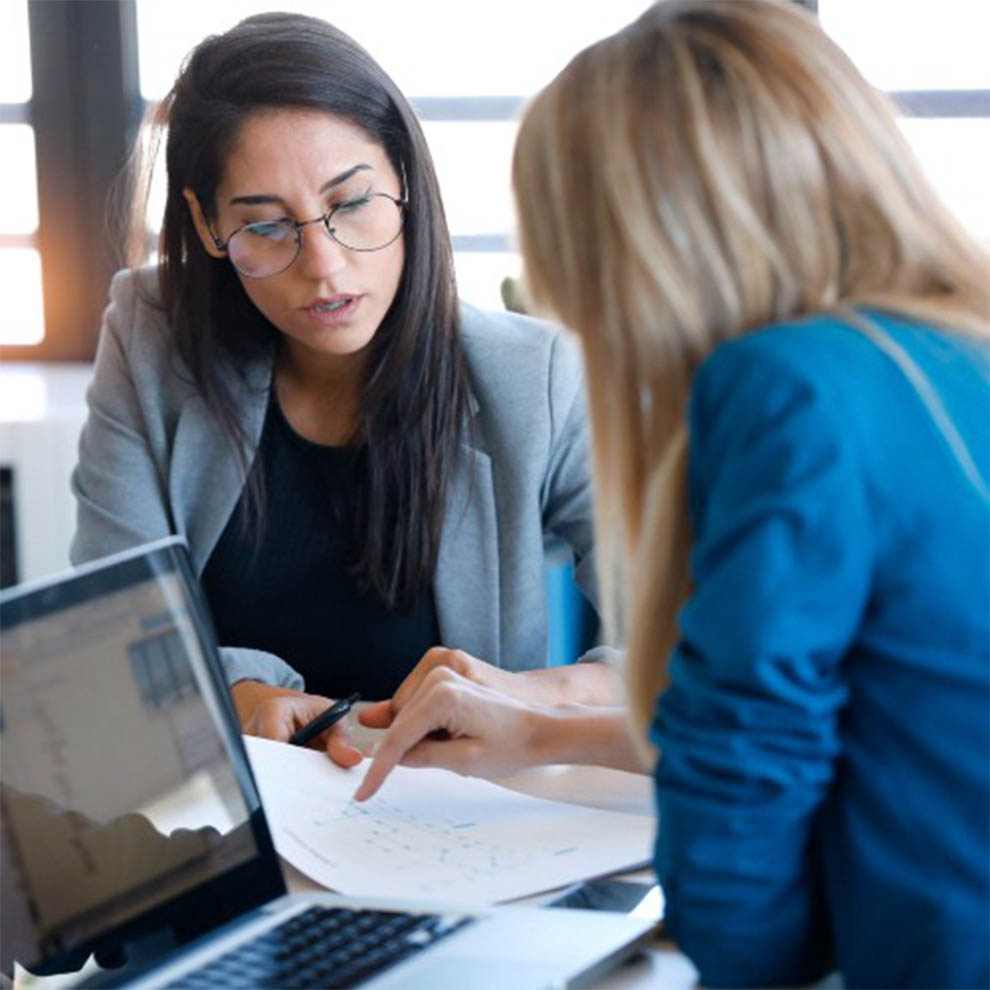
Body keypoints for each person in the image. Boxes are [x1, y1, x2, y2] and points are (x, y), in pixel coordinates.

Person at [356, 2, 990, 987]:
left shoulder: (790, 388)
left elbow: (743, 804)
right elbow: (852, 712)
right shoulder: (950, 348)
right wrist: (540, 735)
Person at [69, 11, 625, 768]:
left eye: (353, 203)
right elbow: (104, 634)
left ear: (403, 177)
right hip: (238, 825)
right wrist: (237, 696)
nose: (324, 266)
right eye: (266, 226)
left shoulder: (533, 377)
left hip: (459, 832)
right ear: (204, 224)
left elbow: (692, 629)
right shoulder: (152, 337)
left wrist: (535, 700)